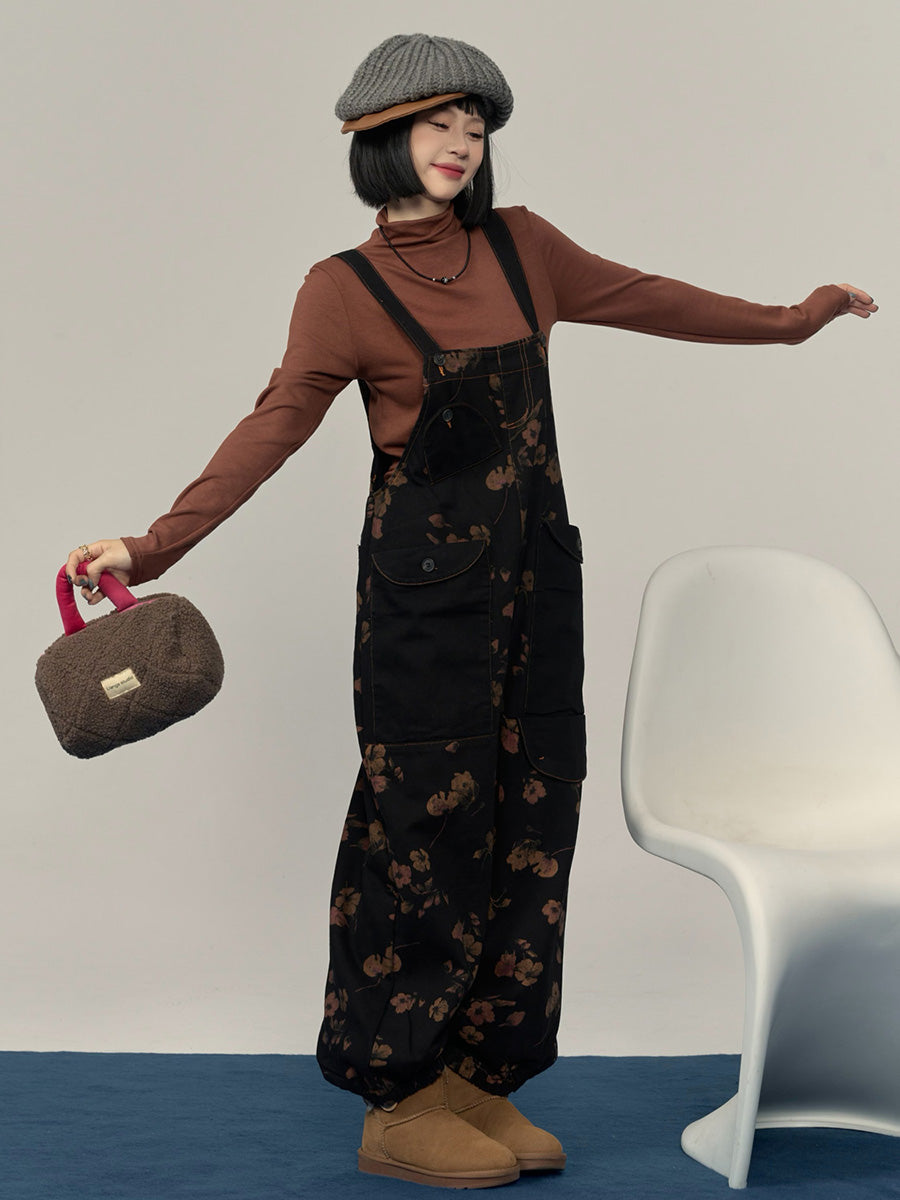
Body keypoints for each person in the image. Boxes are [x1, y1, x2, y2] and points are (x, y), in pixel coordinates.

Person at [64, 33, 877, 1191]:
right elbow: (274, 423)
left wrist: (791, 320)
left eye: (476, 126)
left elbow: (651, 297)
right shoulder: (342, 291)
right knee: (421, 836)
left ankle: (476, 1076)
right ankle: (398, 1098)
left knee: (536, 820)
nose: (461, 143)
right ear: (376, 136)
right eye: (438, 122)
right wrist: (151, 546)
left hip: (539, 589)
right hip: (423, 612)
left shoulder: (524, 247)